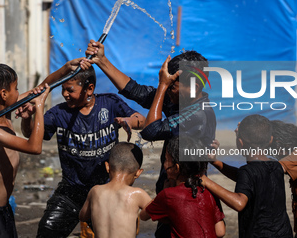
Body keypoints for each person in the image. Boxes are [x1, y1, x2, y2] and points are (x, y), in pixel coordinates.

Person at [20, 64, 146, 237]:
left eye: (69, 90)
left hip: (106, 191)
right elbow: (33, 133)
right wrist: (27, 119)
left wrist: (129, 121)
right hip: (71, 192)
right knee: (47, 231)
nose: (64, 94)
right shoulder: (59, 113)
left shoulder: (109, 103)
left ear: (89, 88)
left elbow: (141, 119)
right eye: (63, 89)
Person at [85, 41, 216, 194]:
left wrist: (162, 85)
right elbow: (135, 91)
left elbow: (150, 131)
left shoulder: (198, 115)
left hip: (189, 196)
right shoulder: (180, 99)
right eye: (166, 85)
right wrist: (102, 61)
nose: (167, 90)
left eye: (171, 86)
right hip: (171, 190)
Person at [0, 58, 90, 238]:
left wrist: (66, 68)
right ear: (3, 94)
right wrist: (39, 107)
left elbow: (43, 87)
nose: (20, 92)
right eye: (17, 88)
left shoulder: (5, 109)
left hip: (2, 208)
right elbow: (34, 147)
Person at [203, 114, 293, 238]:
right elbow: (247, 179)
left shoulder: (248, 171)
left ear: (240, 143)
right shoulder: (275, 166)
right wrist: (216, 162)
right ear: (270, 140)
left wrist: (207, 182)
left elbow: (239, 203)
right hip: (284, 233)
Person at [140, 136, 225, 238]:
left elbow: (143, 216)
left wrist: (164, 192)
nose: (164, 165)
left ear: (176, 168)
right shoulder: (209, 192)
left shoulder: (168, 195)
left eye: (166, 160)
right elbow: (220, 231)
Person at [79, 142, 151, 238]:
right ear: (138, 172)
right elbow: (155, 212)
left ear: (107, 167)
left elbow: (82, 216)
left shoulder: (95, 191)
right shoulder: (137, 194)